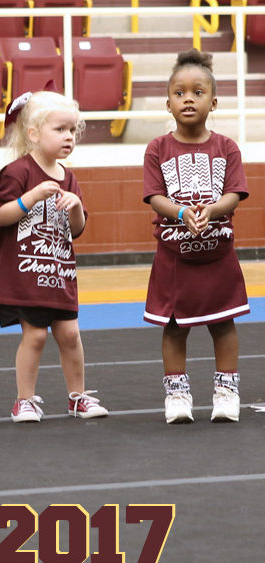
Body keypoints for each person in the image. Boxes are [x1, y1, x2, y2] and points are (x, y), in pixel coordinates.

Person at [0, 90, 109, 423]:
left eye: (72, 130)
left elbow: (78, 229)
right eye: (60, 129)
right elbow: (0, 217)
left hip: (59, 272)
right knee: (36, 335)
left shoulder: (68, 177)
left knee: (70, 334)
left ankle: (78, 396)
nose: (69, 137)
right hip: (27, 273)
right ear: (33, 134)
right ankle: (24, 400)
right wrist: (31, 197)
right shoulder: (17, 171)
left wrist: (75, 209)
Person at [143, 49, 249, 424]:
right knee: (174, 326)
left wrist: (213, 211)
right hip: (174, 258)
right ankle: (177, 393)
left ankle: (226, 390)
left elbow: (235, 192)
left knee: (224, 322)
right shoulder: (157, 148)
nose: (188, 98)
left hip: (218, 255)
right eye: (179, 92)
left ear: (214, 101)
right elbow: (154, 196)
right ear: (168, 103)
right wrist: (181, 213)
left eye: (198, 92)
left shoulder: (227, 147)